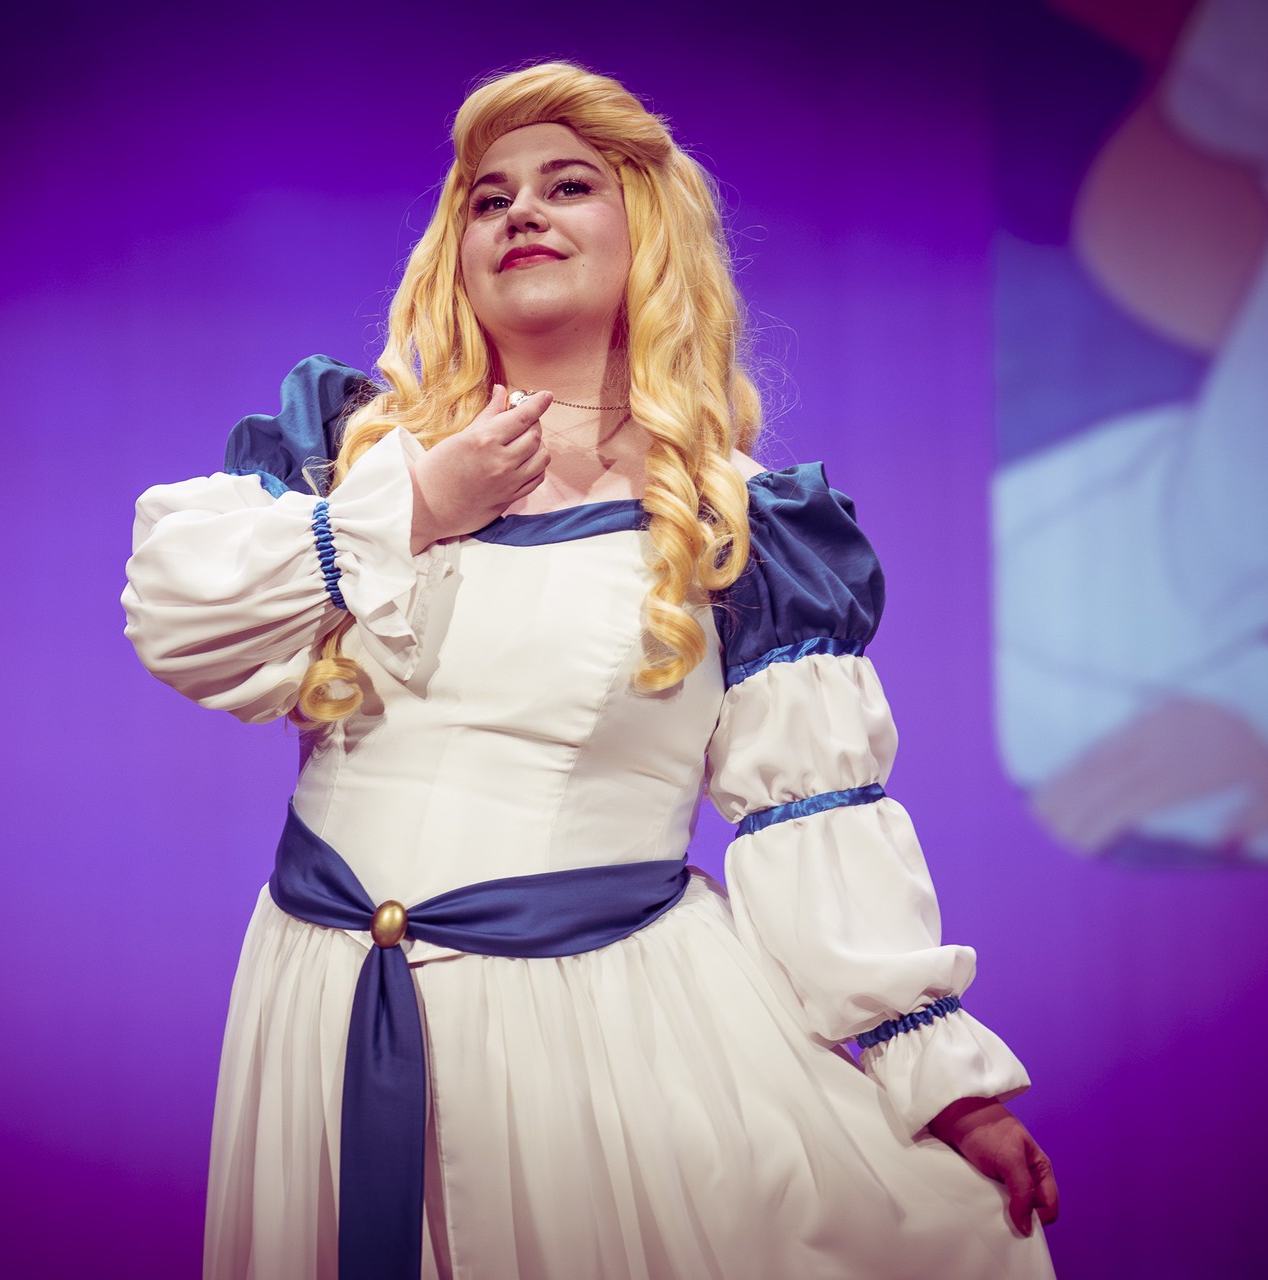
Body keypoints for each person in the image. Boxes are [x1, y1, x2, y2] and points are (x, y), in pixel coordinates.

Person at [124, 61, 1058, 1280]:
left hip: (587, 1030)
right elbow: (178, 616)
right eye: (489, 197)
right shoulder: (353, 457)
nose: (522, 210)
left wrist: (941, 1075)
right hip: (322, 999)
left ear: (646, 235)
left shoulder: (740, 524)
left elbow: (813, 815)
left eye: (568, 185)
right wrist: (418, 502)